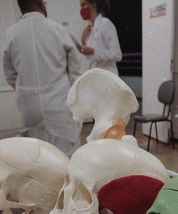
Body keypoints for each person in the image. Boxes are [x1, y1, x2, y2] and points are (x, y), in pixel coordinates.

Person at [3, 0, 83, 157]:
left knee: (38, 155)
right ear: (42, 5)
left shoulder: (11, 34)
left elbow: (10, 75)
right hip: (59, 105)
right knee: (66, 153)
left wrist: (27, 88)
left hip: (29, 108)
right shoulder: (58, 30)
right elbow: (76, 73)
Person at [78, 0, 122, 75]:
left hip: (109, 76)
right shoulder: (90, 29)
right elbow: (91, 58)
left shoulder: (105, 24)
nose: (81, 9)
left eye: (83, 5)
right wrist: (83, 41)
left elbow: (117, 55)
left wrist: (93, 51)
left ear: (93, 5)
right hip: (96, 76)